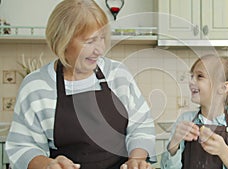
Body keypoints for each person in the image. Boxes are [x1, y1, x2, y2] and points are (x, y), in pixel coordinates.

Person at [5, 0, 156, 169]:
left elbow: (141, 125)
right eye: (90, 41)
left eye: (101, 38)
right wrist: (48, 165)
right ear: (63, 41)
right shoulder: (36, 86)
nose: (99, 49)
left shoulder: (118, 74)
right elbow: (22, 146)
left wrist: (136, 160)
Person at [161, 55, 228, 169]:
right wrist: (174, 145)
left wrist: (224, 153)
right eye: (192, 76)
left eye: (200, 76)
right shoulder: (185, 120)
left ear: (223, 87)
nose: (191, 81)